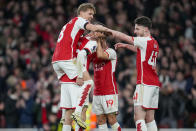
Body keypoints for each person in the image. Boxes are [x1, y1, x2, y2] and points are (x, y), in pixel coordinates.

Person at [51, 3, 109, 131]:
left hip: (59, 65)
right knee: (87, 89)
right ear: (81, 13)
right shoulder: (90, 39)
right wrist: (80, 74)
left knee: (67, 114)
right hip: (73, 68)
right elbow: (82, 55)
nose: (91, 17)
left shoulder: (78, 34)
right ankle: (77, 113)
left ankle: (66, 118)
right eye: (90, 14)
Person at [110, 16, 160, 131]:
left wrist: (111, 31)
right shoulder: (154, 42)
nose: (135, 31)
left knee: (138, 117)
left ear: (145, 29)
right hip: (154, 84)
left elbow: (125, 37)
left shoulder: (143, 41)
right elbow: (141, 51)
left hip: (144, 83)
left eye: (137, 29)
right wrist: (126, 46)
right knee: (150, 119)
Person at [89, 33, 121, 130]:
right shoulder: (94, 54)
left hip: (109, 91)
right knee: (100, 120)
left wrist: (98, 40)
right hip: (97, 92)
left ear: (103, 39)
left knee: (111, 119)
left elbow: (101, 55)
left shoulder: (111, 52)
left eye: (98, 39)